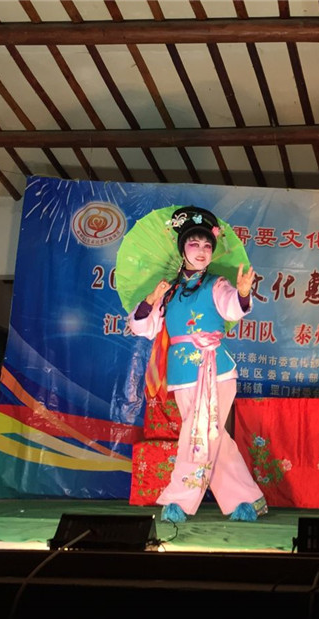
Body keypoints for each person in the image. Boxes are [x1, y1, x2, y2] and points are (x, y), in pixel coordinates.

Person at [128, 206, 267, 523]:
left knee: (198, 434)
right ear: (183, 249)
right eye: (194, 244)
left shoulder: (216, 284)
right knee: (212, 436)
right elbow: (142, 327)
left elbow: (232, 308)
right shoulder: (169, 290)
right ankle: (247, 499)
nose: (202, 250)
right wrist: (151, 299)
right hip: (182, 373)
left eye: (207, 245)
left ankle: (179, 500)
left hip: (215, 370)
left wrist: (243, 292)